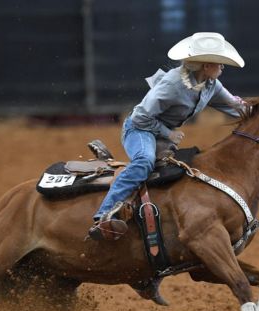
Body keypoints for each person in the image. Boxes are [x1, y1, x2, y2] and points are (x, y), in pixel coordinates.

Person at [88, 32, 250, 241]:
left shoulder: (211, 85)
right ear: (206, 66)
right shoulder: (173, 85)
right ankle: (104, 216)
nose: (222, 67)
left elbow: (236, 106)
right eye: (219, 63)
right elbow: (140, 118)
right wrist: (168, 134)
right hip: (139, 130)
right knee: (144, 162)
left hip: (160, 133)